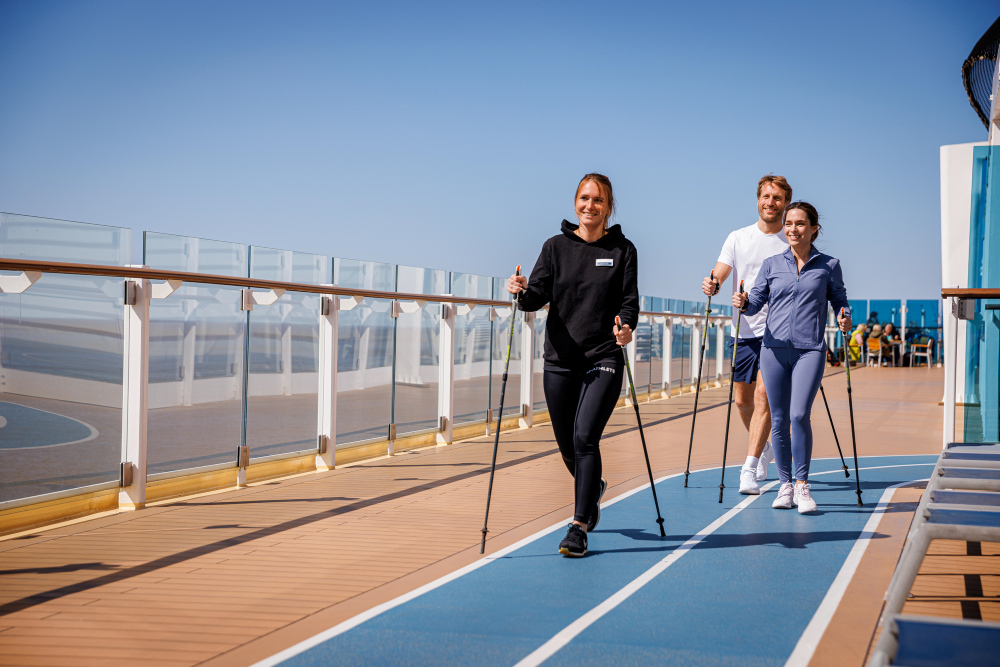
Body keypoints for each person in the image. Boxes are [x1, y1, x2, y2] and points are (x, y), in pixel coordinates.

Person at [508, 173, 638, 558]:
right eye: (584, 198)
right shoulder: (555, 247)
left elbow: (629, 301)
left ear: (609, 207)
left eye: (598, 200)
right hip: (560, 362)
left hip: (604, 358)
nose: (590, 206)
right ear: (575, 203)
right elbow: (535, 299)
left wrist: (625, 326)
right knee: (567, 445)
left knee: (585, 437)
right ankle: (592, 485)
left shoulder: (623, 250)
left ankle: (578, 526)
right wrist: (520, 290)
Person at [734, 202, 851, 514]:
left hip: (809, 350)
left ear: (813, 228)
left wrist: (844, 316)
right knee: (780, 418)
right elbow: (756, 302)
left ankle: (802, 485)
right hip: (772, 350)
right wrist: (744, 302)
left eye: (800, 224)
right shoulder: (772, 264)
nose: (793, 230)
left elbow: (840, 300)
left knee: (799, 415)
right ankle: (784, 485)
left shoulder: (828, 265)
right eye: (788, 224)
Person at [702, 174, 791, 495]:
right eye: (766, 196)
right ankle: (764, 446)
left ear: (785, 204)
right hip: (744, 330)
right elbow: (721, 272)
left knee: (764, 397)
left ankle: (749, 467)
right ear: (758, 200)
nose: (771, 203)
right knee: (742, 401)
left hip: (779, 333)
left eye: (777, 198)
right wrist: (712, 282)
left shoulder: (791, 240)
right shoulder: (738, 237)